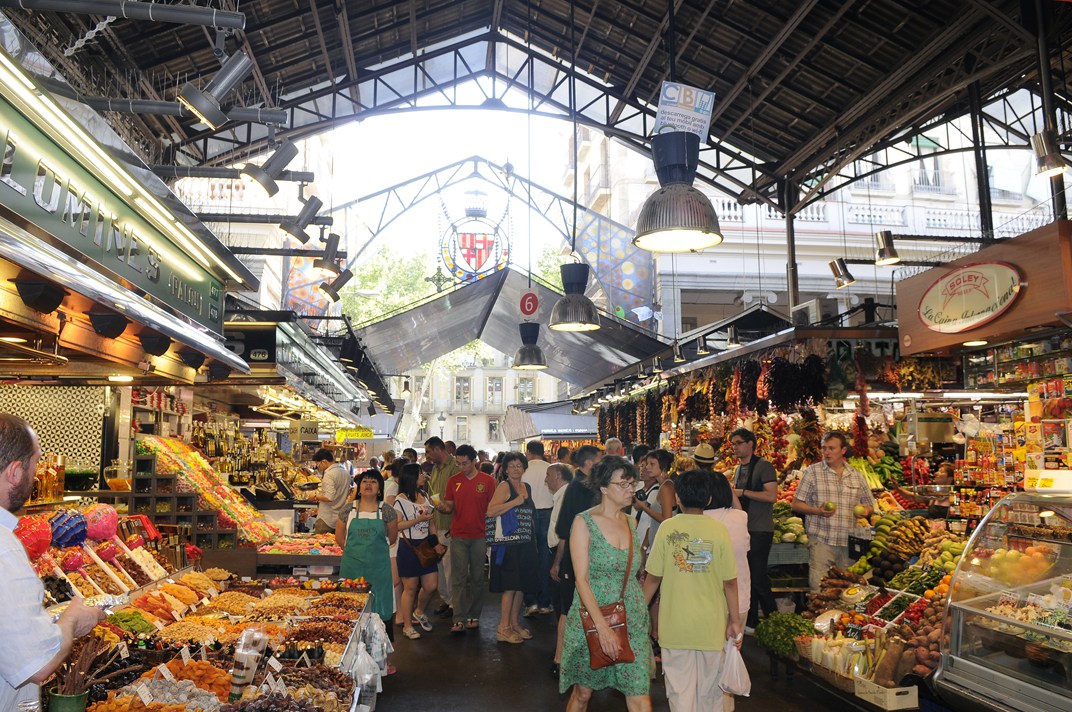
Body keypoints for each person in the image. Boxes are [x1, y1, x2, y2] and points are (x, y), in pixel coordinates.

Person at [0, 413, 105, 707]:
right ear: (16, 472)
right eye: (35, 464)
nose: (35, 476)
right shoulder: (3, 550)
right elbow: (38, 665)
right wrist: (72, 620)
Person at [644, 470, 742, 712]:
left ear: (677, 498)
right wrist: (735, 621)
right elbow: (730, 582)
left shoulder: (668, 528)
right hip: (711, 626)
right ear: (708, 499)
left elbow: (653, 579)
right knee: (710, 694)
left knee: (679, 693)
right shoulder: (719, 530)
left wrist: (637, 612)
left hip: (675, 626)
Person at [560, 455, 652, 711]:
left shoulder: (632, 522)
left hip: (631, 617)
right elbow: (581, 580)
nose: (630, 489)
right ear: (603, 488)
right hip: (592, 618)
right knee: (583, 694)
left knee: (639, 694)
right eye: (623, 484)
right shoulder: (584, 522)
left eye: (632, 483)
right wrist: (603, 628)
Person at [793, 431, 877, 591]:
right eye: (824, 448)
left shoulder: (856, 475)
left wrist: (865, 511)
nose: (826, 452)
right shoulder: (812, 472)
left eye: (831, 448)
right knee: (819, 588)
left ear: (843, 450)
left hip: (847, 543)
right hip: (821, 541)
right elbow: (796, 504)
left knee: (846, 589)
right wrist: (817, 511)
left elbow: (870, 505)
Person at [437, 444, 497, 633]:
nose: (461, 467)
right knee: (458, 578)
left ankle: (474, 615)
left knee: (478, 578)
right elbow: (449, 507)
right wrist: (440, 506)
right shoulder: (453, 481)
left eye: (465, 463)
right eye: (459, 463)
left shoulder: (488, 481)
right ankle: (459, 618)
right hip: (458, 536)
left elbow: (493, 510)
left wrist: (491, 534)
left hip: (480, 536)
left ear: (474, 462)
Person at [486, 451, 540, 643]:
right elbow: (491, 510)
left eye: (519, 465)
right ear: (506, 469)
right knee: (510, 586)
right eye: (512, 466)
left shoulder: (526, 486)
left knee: (521, 586)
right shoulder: (504, 486)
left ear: (524, 468)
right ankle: (503, 627)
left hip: (525, 542)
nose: (516, 469)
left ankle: (514, 623)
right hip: (508, 544)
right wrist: (517, 501)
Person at [727, 427, 778, 630]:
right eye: (733, 444)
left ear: (750, 444)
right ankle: (753, 622)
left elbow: (771, 496)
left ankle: (774, 620)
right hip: (745, 529)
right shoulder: (739, 469)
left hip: (760, 529)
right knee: (747, 576)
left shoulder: (764, 466)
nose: (735, 447)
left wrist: (743, 492)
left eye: (738, 443)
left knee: (758, 577)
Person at [337, 469, 398, 635]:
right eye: (364, 481)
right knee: (351, 609)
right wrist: (353, 553)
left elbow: (392, 538)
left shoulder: (386, 510)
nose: (368, 485)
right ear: (359, 487)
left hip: (379, 571)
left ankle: (382, 658)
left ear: (380, 488)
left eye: (373, 482)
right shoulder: (348, 510)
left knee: (381, 610)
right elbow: (339, 537)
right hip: (352, 569)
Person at [393, 462, 444, 640]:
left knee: (431, 585)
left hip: (425, 545)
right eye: (421, 473)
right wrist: (418, 519)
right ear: (411, 477)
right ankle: (407, 626)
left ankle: (419, 611)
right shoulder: (400, 500)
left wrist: (435, 541)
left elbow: (431, 523)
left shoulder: (424, 495)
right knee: (410, 588)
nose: (424, 476)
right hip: (408, 546)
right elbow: (397, 525)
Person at [545, 462, 574, 677]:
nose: (546, 480)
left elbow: (564, 534)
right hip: (559, 554)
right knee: (561, 606)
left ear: (558, 476)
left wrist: (557, 562)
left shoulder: (566, 496)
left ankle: (563, 656)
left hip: (562, 555)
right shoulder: (562, 495)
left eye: (548, 475)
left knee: (564, 607)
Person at [425, 436, 459, 617]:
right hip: (436, 523)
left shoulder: (455, 468)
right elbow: (434, 494)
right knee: (439, 566)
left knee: (449, 566)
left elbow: (460, 499)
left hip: (449, 525)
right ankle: (446, 600)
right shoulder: (436, 469)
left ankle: (454, 603)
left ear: (438, 449)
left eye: (429, 452)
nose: (427, 456)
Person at [522, 440, 555, 616]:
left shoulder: (523, 469)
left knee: (528, 558)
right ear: (542, 452)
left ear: (528, 452)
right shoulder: (550, 468)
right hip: (548, 514)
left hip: (527, 514)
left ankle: (530, 601)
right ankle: (544, 602)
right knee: (545, 558)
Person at [632, 448, 676, 555]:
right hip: (656, 542)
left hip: (662, 544)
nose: (647, 467)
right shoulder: (664, 485)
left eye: (652, 464)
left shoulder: (666, 487)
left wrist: (645, 507)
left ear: (663, 467)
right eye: (647, 464)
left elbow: (666, 518)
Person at [313, 448, 352, 535]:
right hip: (339, 519)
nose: (317, 467)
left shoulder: (329, 474)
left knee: (321, 546)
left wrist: (315, 496)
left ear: (324, 462)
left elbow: (329, 497)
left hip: (326, 520)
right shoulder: (346, 473)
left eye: (317, 464)